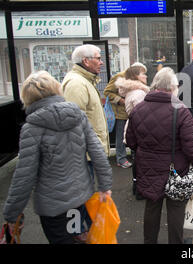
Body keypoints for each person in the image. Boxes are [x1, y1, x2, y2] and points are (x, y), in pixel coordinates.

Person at [2, 71, 112, 244]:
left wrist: (11, 213)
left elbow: (24, 176)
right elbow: (97, 151)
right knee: (75, 235)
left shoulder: (31, 128)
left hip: (53, 207)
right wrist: (105, 186)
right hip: (79, 198)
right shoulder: (78, 116)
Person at [125, 67, 193, 244]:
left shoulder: (138, 109)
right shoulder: (181, 110)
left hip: (147, 167)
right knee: (176, 207)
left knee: (152, 205)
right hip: (175, 168)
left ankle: (149, 241)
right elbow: (192, 145)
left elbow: (130, 141)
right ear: (172, 87)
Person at [62, 44, 109, 158]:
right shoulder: (76, 84)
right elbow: (73, 124)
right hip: (85, 155)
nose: (101, 62)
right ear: (86, 61)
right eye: (98, 58)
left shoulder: (84, 81)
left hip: (90, 152)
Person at [115, 64, 150, 199]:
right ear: (136, 77)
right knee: (142, 161)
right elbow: (144, 115)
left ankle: (137, 187)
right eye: (143, 73)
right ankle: (141, 190)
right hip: (140, 131)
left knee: (137, 159)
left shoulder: (132, 92)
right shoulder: (139, 93)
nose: (146, 76)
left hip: (133, 129)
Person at [104, 62, 147, 169]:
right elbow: (107, 92)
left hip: (129, 110)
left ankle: (132, 154)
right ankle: (121, 158)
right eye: (142, 73)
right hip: (120, 112)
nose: (145, 75)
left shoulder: (137, 84)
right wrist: (120, 100)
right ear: (135, 73)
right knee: (121, 136)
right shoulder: (119, 77)